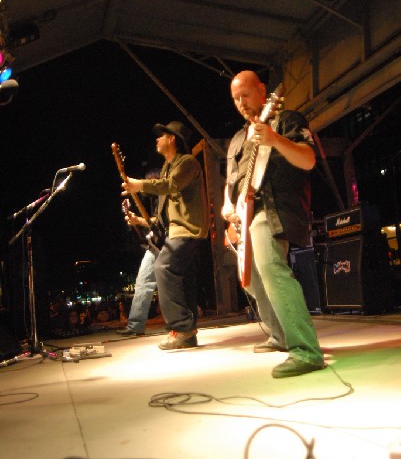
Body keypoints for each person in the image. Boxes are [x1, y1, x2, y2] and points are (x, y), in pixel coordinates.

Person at [222, 70, 325, 378]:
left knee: (271, 269)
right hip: (246, 214)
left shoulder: (287, 120)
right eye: (235, 98)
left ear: (263, 91)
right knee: (252, 279)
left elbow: (308, 160)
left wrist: (275, 139)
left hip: (274, 207)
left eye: (246, 95)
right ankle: (281, 336)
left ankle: (306, 350)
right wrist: (228, 205)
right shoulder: (239, 138)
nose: (241, 103)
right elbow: (232, 181)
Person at [122, 121, 209, 349]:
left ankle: (181, 326)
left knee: (163, 267)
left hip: (188, 229)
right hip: (175, 231)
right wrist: (141, 221)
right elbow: (162, 215)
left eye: (161, 135)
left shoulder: (187, 163)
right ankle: (189, 333)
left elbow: (170, 185)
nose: (157, 139)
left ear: (173, 138)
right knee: (185, 279)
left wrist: (140, 185)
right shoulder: (165, 168)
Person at [116, 169, 161, 337]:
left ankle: (184, 322)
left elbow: (161, 222)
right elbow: (152, 225)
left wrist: (138, 221)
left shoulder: (167, 196)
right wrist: (135, 221)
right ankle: (135, 325)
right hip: (155, 246)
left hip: (170, 244)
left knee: (173, 284)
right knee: (143, 281)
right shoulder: (152, 202)